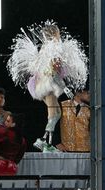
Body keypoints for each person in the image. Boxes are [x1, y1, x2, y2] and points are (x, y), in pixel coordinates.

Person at [7, 20, 88, 152]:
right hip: (47, 86)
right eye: (58, 34)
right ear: (54, 35)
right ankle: (45, 142)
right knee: (53, 114)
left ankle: (46, 141)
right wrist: (66, 88)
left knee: (56, 114)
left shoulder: (46, 50)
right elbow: (53, 74)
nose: (59, 37)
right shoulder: (53, 52)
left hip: (42, 85)